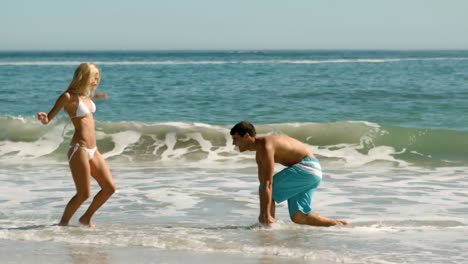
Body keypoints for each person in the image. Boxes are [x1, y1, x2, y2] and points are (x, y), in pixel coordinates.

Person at [37, 62, 116, 227]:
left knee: (109, 188)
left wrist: (98, 96)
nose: (96, 81)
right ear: (84, 77)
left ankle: (86, 218)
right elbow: (48, 119)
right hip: (78, 148)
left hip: (93, 150)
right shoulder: (67, 97)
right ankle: (62, 225)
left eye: (98, 78)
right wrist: (44, 118)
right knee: (83, 193)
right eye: (94, 78)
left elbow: (85, 100)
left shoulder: (85, 97)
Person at [230, 121, 348, 226]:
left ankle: (267, 225)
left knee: (269, 190)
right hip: (313, 172)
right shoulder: (260, 153)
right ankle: (339, 225)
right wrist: (263, 213)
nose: (233, 143)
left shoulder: (266, 146)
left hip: (307, 168)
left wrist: (265, 215)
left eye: (235, 138)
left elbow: (267, 184)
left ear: (246, 136)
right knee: (299, 216)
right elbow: (263, 184)